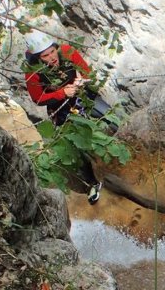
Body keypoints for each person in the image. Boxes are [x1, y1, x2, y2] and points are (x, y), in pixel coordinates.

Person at [23, 30, 111, 204]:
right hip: (60, 108)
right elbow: (38, 98)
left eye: (52, 51)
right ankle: (91, 183)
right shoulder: (33, 73)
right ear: (38, 58)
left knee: (110, 116)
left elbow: (87, 73)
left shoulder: (67, 51)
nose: (51, 57)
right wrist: (61, 93)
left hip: (84, 96)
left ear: (57, 48)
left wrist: (81, 81)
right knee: (74, 147)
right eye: (45, 55)